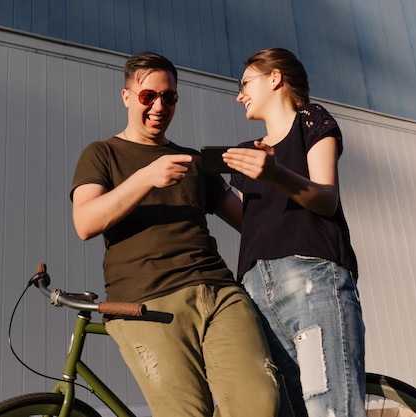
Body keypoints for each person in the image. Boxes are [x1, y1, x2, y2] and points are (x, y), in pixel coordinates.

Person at [69, 51, 280, 417]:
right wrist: (146, 178)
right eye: (148, 96)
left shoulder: (191, 159)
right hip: (147, 302)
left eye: (169, 97)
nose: (159, 106)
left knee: (260, 405)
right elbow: (85, 222)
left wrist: (275, 174)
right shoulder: (102, 154)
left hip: (219, 292)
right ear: (127, 98)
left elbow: (251, 222)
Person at [222, 48, 367, 417]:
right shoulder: (247, 152)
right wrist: (207, 192)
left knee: (329, 406)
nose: (240, 95)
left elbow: (326, 198)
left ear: (275, 78)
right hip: (256, 287)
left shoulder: (311, 121)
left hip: (311, 275)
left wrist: (273, 174)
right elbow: (250, 222)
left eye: (245, 83)